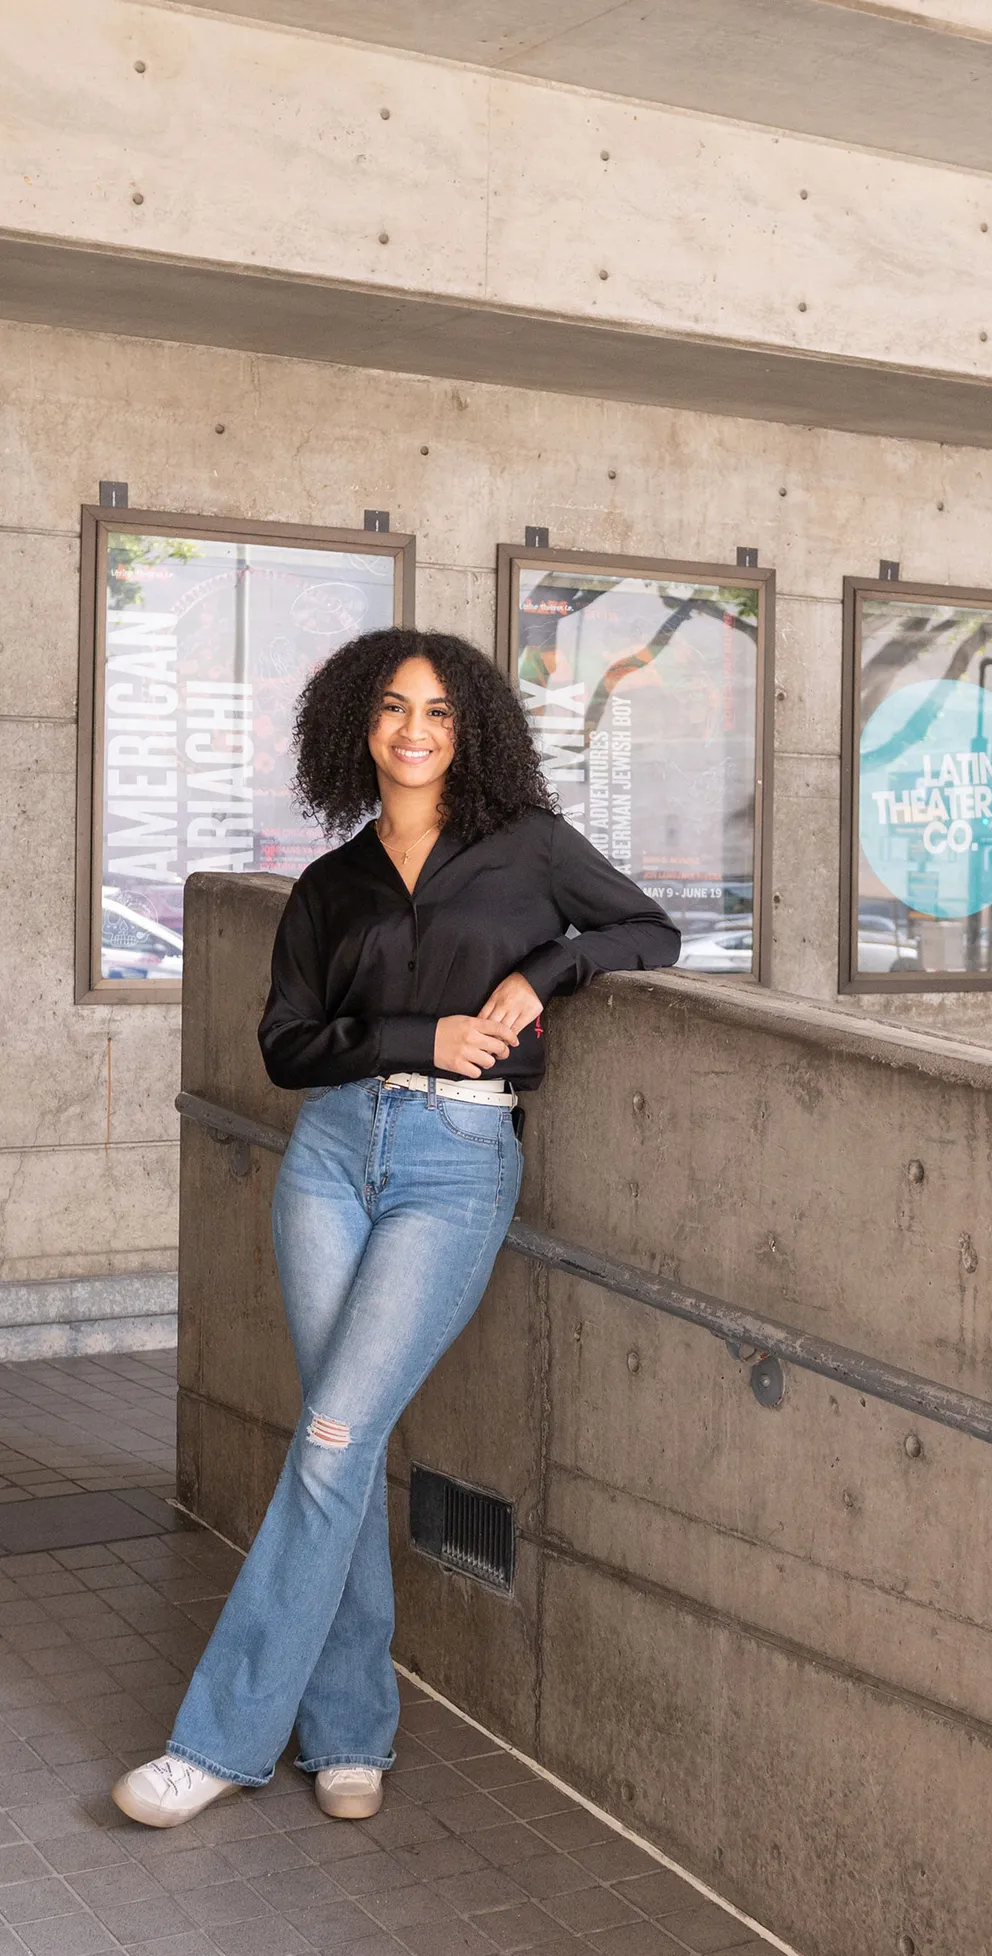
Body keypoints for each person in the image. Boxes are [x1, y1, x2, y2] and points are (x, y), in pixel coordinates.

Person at [112, 627, 680, 1829]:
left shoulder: (524, 849)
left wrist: (545, 976)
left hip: (455, 1166)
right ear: (354, 731)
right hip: (327, 1160)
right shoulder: (330, 888)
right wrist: (421, 1037)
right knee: (345, 1448)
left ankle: (215, 1741)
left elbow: (649, 931)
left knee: (326, 1438)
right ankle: (353, 1728)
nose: (413, 730)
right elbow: (284, 1048)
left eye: (436, 711)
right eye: (389, 710)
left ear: (468, 729)